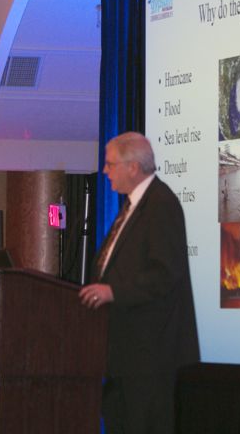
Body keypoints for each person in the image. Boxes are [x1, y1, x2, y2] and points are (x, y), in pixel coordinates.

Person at [79, 132, 199, 434]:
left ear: (133, 167)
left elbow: (165, 273)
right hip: (123, 354)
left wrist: (113, 291)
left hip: (149, 356)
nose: (105, 171)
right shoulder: (133, 206)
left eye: (110, 164)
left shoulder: (161, 204)